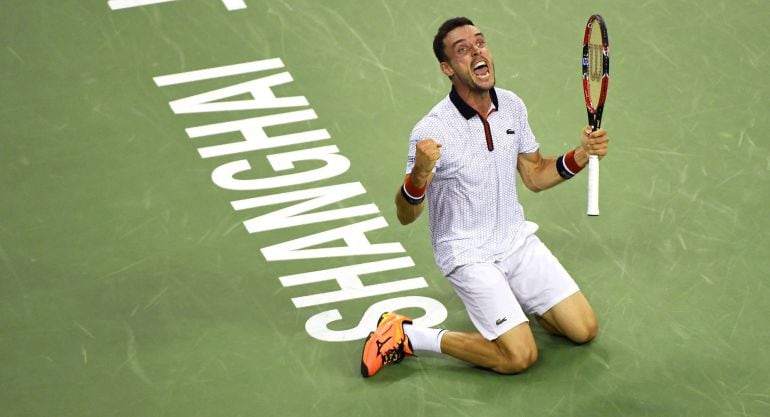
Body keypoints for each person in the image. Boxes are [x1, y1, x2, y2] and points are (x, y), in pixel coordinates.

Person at [360, 17, 609, 378]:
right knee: (519, 357)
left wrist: (581, 155)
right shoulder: (432, 129)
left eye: (480, 42)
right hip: (467, 253)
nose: (477, 51)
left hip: (515, 241)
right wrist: (420, 174)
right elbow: (404, 214)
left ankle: (513, 303)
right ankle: (406, 334)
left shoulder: (511, 106)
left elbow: (535, 175)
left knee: (583, 329)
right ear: (447, 68)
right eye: (463, 49)